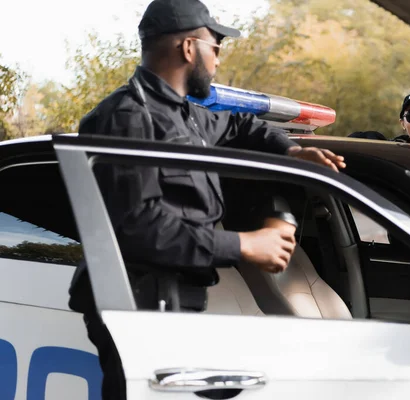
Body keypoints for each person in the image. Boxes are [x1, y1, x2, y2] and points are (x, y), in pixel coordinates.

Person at [67, 0, 346, 398]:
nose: (217, 60)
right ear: (188, 49)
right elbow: (137, 228)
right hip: (137, 307)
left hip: (174, 304)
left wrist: (293, 152)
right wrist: (245, 245)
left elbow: (239, 126)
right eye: (215, 48)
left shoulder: (186, 115)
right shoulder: (127, 118)